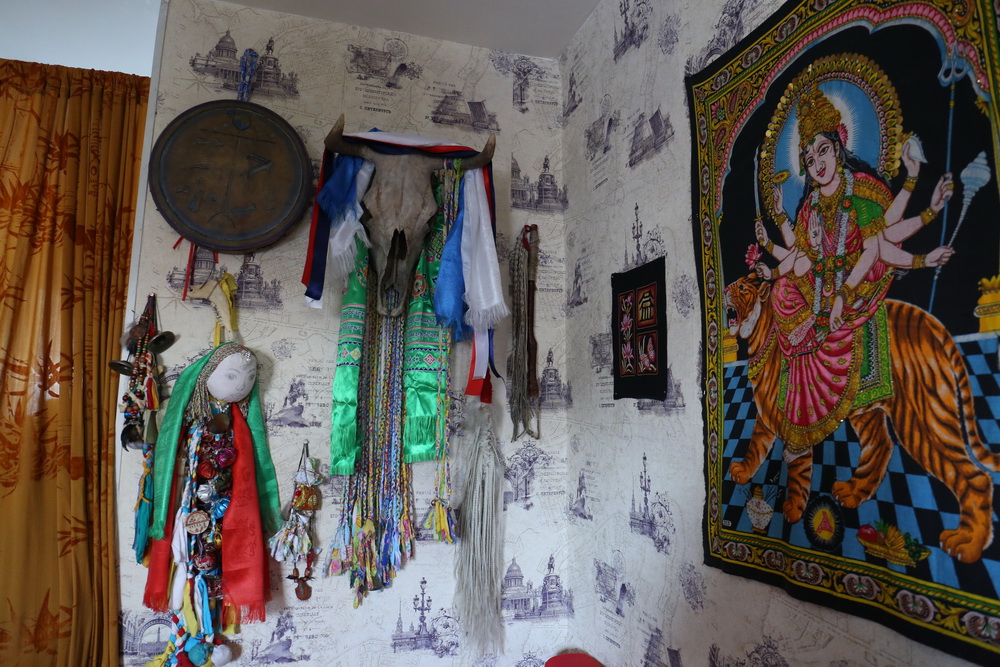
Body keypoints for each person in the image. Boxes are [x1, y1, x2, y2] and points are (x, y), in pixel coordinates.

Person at [753, 84, 954, 451]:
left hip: (855, 288)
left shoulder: (859, 189)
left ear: (838, 145)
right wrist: (775, 245)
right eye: (809, 160)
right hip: (819, 292)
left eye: (823, 151)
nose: (818, 164)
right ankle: (799, 414)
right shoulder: (810, 206)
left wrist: (925, 208)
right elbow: (800, 255)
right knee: (781, 294)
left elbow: (879, 243)